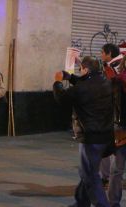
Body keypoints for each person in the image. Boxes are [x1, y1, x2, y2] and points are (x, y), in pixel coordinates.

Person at [53, 56, 114, 207]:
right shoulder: (105, 81)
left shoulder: (82, 89)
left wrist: (57, 82)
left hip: (91, 137)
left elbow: (62, 98)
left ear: (86, 70)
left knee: (90, 174)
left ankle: (102, 204)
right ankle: (81, 202)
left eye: (81, 69)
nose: (80, 71)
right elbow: (87, 83)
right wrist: (70, 77)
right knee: (89, 170)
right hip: (106, 136)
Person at [107, 53, 126, 207]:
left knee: (116, 170)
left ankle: (113, 202)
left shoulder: (116, 80)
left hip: (120, 130)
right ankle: (113, 203)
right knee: (116, 170)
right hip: (121, 130)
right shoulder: (117, 82)